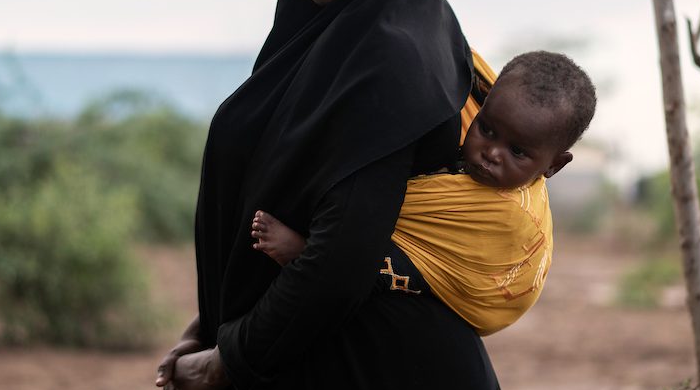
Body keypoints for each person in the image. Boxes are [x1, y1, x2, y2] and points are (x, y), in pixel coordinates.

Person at [156, 0, 501, 390]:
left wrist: (225, 362)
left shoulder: (389, 56)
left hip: (377, 366)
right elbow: (290, 196)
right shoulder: (326, 33)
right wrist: (214, 318)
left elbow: (339, 260)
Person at [250, 50, 598, 336]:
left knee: (400, 273)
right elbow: (450, 58)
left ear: (552, 167)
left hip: (485, 288)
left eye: (517, 152)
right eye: (487, 129)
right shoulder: (479, 103)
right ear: (483, 105)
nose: (492, 152)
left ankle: (309, 254)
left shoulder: (506, 217)